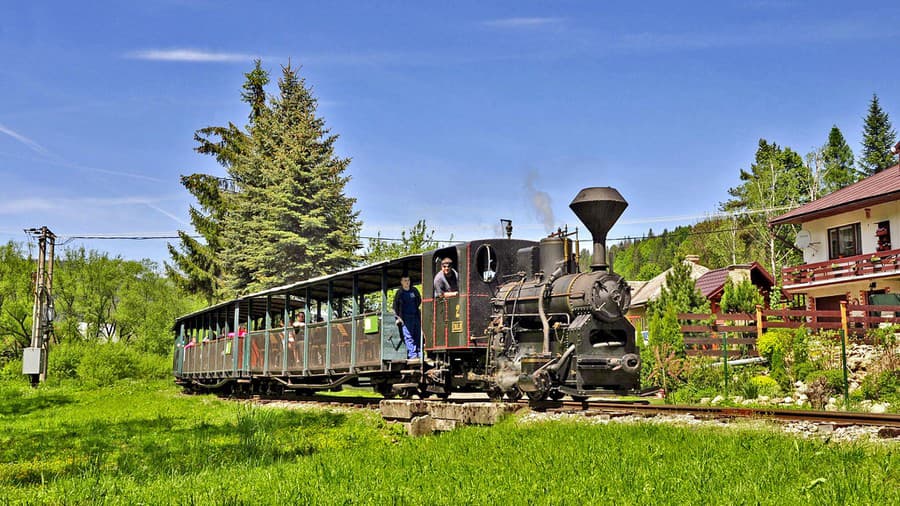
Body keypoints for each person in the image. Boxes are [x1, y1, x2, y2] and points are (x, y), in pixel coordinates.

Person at [393, 275, 422, 359]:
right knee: (408, 336)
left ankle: (419, 353)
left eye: (408, 280)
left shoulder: (414, 290)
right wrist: (397, 318)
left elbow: (419, 301)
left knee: (417, 335)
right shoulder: (400, 293)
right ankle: (412, 355)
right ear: (401, 282)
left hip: (415, 316)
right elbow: (395, 306)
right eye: (405, 280)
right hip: (405, 317)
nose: (407, 282)